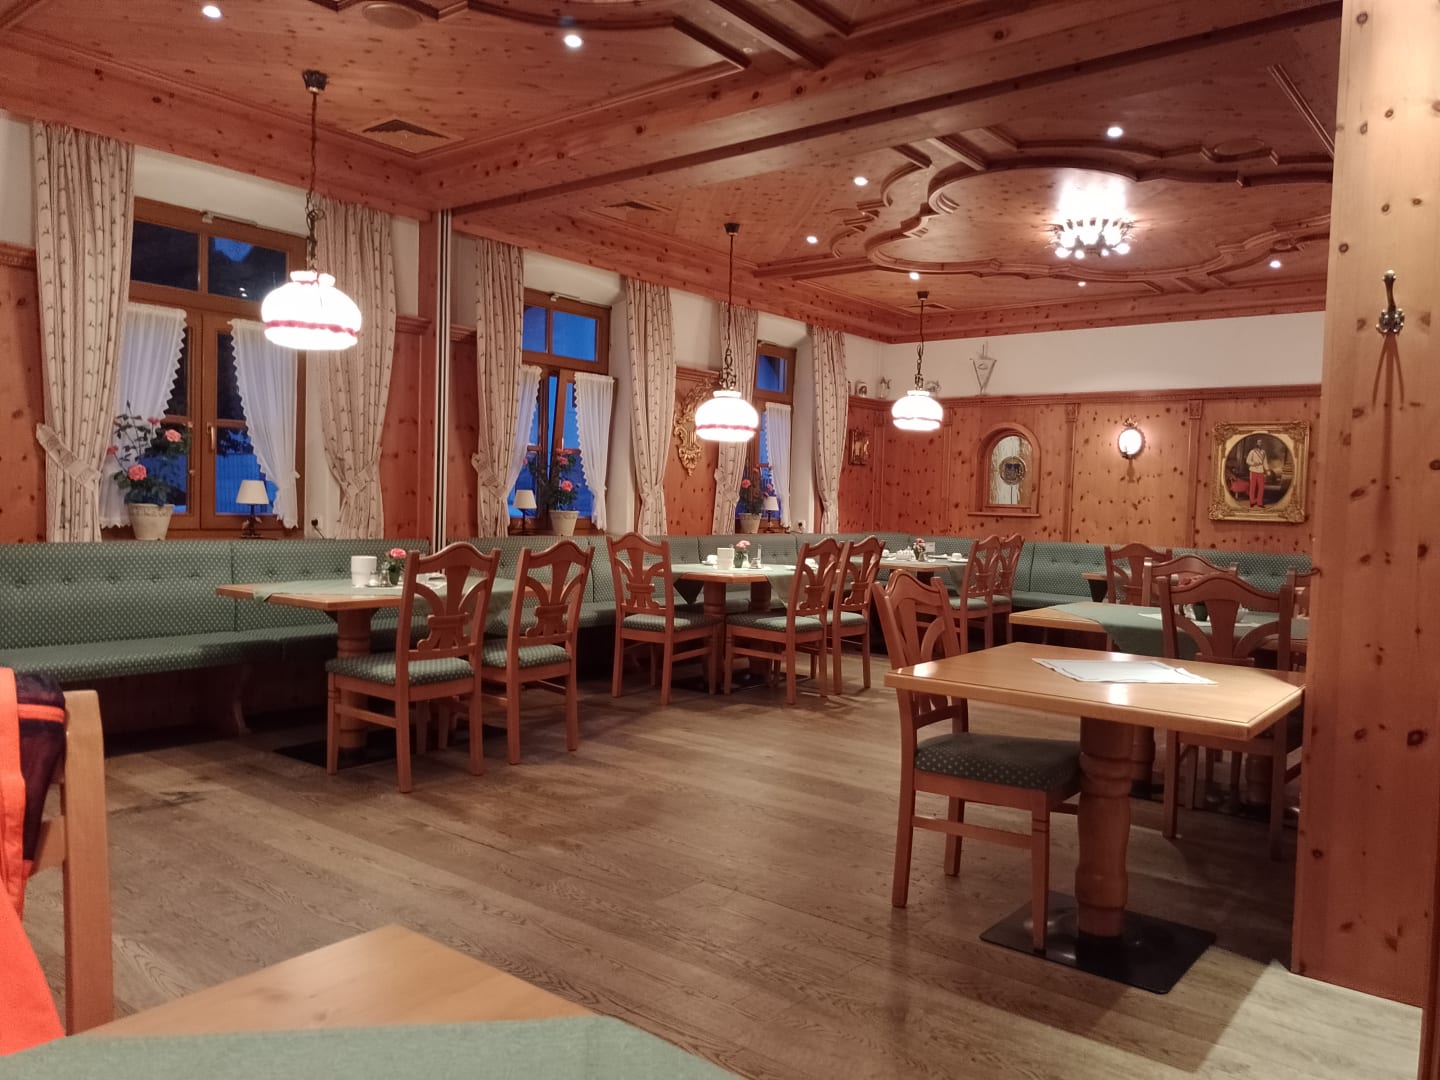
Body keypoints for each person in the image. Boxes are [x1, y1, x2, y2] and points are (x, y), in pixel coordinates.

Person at [1245, 438, 1267, 507]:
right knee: (1252, 486)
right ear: (1256, 443)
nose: (1260, 443)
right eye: (1259, 442)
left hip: (1261, 470)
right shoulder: (1252, 451)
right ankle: (1252, 501)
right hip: (1253, 470)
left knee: (1261, 487)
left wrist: (1267, 470)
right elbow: (1248, 461)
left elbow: (1265, 462)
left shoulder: (1263, 452)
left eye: (1261, 442)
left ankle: (1259, 502)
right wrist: (1254, 463)